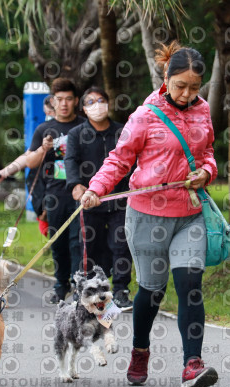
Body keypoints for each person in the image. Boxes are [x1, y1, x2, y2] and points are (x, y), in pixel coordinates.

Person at [80, 42, 219, 387]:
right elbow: (119, 159)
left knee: (190, 287)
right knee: (152, 292)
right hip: (148, 218)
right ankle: (140, 351)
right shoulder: (145, 116)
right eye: (180, 87)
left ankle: (192, 365)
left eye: (194, 88)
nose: (187, 95)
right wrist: (96, 188)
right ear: (165, 78)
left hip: (189, 213)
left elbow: (208, 154)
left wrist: (206, 172)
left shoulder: (202, 111)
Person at [0, 78, 83, 304]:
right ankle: (61, 285)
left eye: (69, 99)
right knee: (58, 242)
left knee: (78, 242)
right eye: (59, 99)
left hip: (81, 193)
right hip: (55, 195)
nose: (64, 104)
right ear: (52, 101)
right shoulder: (45, 129)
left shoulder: (85, 126)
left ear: (76, 101)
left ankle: (79, 285)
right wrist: (7, 169)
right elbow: (29, 160)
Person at [65, 87, 134, 311]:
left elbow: (132, 160)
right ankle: (84, 290)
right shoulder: (76, 134)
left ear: (108, 103)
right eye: (91, 102)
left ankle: (122, 290)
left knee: (121, 245)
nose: (97, 105)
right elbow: (70, 161)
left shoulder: (122, 131)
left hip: (120, 199)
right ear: (84, 108)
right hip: (89, 200)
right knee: (87, 246)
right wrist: (76, 185)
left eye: (101, 100)